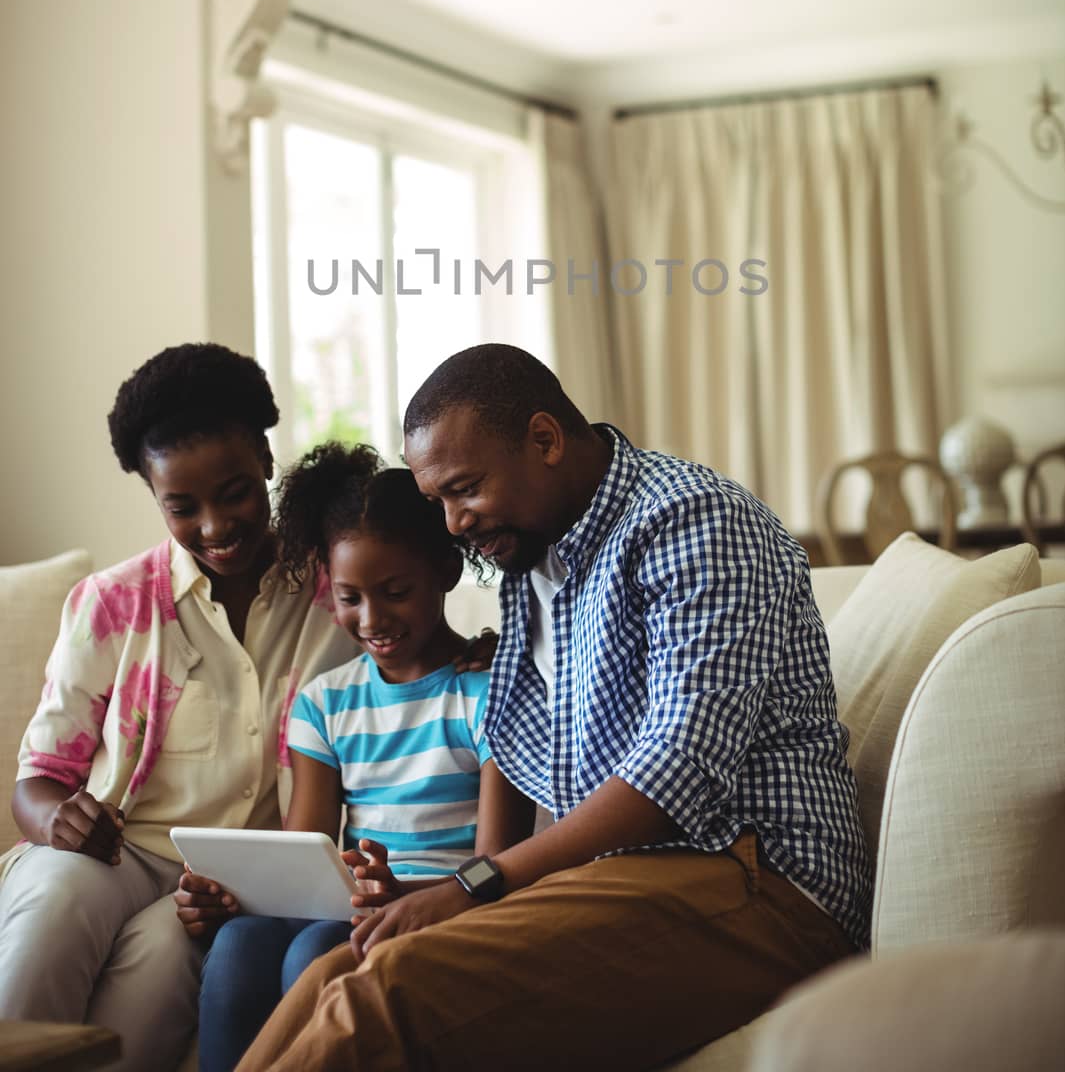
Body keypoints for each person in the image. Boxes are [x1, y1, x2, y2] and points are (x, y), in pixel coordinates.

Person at [236, 343, 873, 1072]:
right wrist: (444, 889)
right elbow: (518, 755)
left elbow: (677, 772)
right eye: (437, 499)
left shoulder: (690, 520)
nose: (451, 523)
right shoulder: (535, 559)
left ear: (543, 440)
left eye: (463, 489)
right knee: (332, 975)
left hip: (762, 883)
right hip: (630, 878)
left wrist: (475, 885)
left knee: (383, 992)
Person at [0, 342, 492, 1072]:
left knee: (161, 983)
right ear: (153, 497)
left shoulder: (335, 590)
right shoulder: (111, 604)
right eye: (181, 507)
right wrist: (54, 815)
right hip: (112, 852)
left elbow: (407, 611)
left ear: (265, 459)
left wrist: (480, 650)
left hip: (234, 884)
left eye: (233, 491)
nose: (214, 525)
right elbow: (38, 777)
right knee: (54, 908)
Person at [197, 441, 529, 1072]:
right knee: (239, 944)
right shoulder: (324, 704)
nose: (372, 618)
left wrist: (407, 892)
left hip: (451, 903)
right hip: (360, 905)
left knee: (314, 954)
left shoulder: (489, 694)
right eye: (349, 597)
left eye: (396, 591)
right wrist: (228, 895)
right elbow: (302, 861)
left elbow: (499, 867)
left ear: (446, 572)